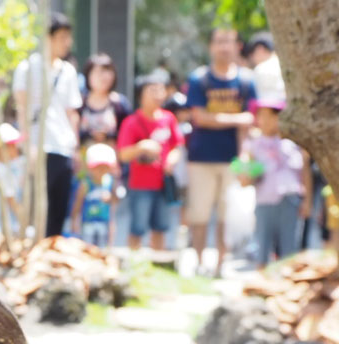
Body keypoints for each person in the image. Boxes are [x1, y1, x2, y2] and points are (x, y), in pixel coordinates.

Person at [186, 27, 257, 275]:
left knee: (227, 215)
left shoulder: (247, 80)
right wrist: (236, 119)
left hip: (234, 159)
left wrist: (244, 153)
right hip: (200, 157)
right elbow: (199, 118)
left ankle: (220, 264)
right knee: (199, 213)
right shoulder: (198, 79)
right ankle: (197, 262)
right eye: (219, 41)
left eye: (229, 41)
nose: (224, 46)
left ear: (237, 45)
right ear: (211, 46)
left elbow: (252, 118)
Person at [13, 12, 83, 237]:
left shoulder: (68, 71)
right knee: (35, 204)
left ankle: (52, 247)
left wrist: (76, 148)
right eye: (62, 37)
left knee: (59, 204)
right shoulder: (27, 68)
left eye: (68, 37)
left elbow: (72, 112)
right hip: (37, 145)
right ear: (48, 38)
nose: (67, 43)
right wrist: (26, 145)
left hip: (62, 145)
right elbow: (22, 109)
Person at [236, 98, 312, 267]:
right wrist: (247, 173)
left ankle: (287, 284)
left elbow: (305, 171)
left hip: (290, 198)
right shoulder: (253, 145)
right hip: (265, 199)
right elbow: (244, 177)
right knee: (262, 244)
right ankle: (261, 281)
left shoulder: (294, 143)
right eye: (261, 116)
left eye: (271, 116)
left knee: (289, 246)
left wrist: (307, 201)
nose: (265, 121)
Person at [117, 74, 184, 250]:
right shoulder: (131, 122)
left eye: (160, 89)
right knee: (137, 229)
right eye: (152, 90)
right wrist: (141, 147)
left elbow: (177, 146)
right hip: (140, 185)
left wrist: (171, 160)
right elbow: (123, 154)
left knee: (161, 227)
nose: (158, 94)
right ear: (141, 95)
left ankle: (158, 265)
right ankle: (134, 264)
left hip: (163, 183)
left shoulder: (169, 118)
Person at [78, 53, 131, 149]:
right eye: (99, 72)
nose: (104, 77)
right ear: (88, 75)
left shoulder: (120, 104)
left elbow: (127, 135)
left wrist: (108, 135)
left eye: (108, 72)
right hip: (84, 159)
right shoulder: (79, 103)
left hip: (112, 159)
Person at [72, 143, 118, 248]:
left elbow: (114, 205)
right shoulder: (85, 184)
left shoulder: (110, 183)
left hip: (104, 223)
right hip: (88, 223)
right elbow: (77, 205)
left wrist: (110, 198)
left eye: (104, 167)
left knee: (102, 248)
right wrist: (74, 223)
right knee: (87, 247)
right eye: (98, 167)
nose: (101, 171)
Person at [0, 123, 25, 231]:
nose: (15, 149)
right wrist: (25, 222)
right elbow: (12, 201)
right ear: (0, 149)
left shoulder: (6, 168)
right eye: (11, 146)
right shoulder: (2, 171)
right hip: (8, 228)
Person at [246, 31, 286, 102]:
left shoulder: (261, 69)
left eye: (252, 54)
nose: (252, 59)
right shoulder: (285, 64)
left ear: (260, 49)